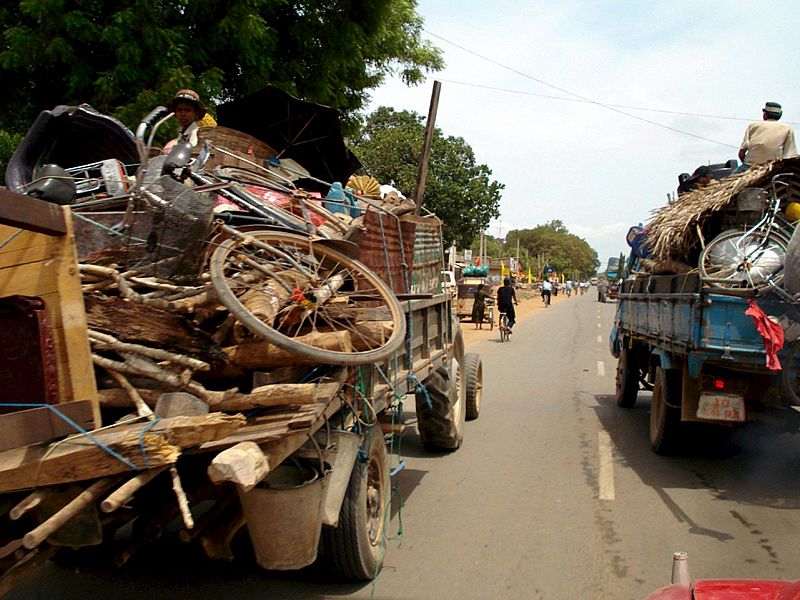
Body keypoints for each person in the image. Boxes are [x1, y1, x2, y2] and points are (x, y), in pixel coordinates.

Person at [738, 102, 797, 169]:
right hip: (773, 168)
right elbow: (789, 155)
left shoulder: (753, 126)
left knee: (730, 177)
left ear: (765, 114)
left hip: (750, 166)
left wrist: (747, 166)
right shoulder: (787, 128)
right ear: (780, 115)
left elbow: (741, 153)